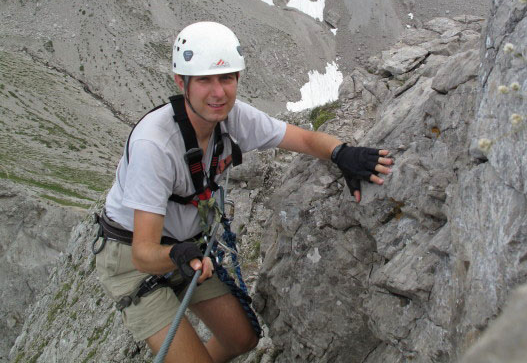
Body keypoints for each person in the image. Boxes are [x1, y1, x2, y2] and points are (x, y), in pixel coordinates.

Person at [94, 21, 393, 363]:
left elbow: (304, 139)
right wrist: (179, 255)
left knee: (243, 339)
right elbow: (143, 252)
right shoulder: (154, 145)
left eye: (227, 78)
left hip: (189, 249)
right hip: (133, 260)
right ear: (182, 83)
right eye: (205, 80)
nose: (218, 92)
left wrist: (342, 154)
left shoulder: (233, 118)